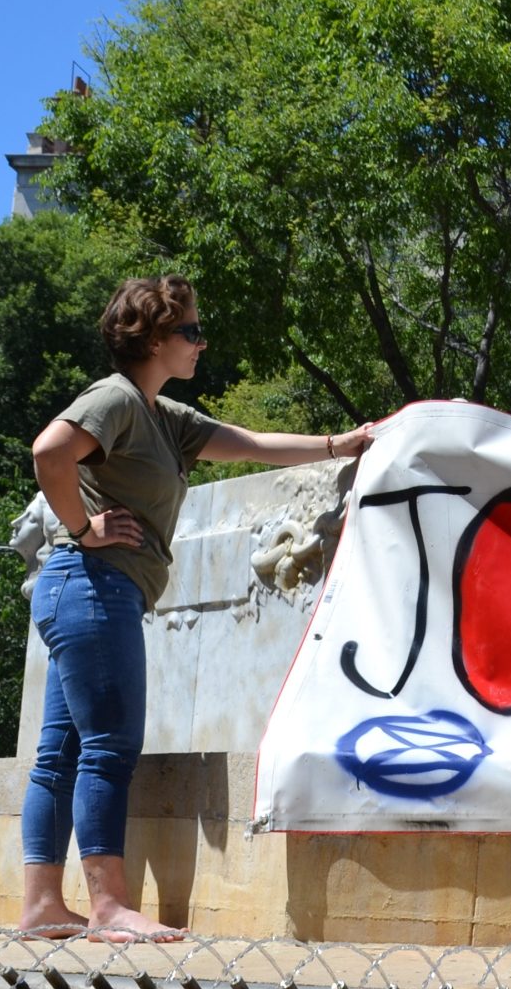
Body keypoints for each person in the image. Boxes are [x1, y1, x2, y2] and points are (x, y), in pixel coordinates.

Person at [19, 275, 379, 941]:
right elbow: (49, 453)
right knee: (106, 746)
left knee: (63, 748)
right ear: (155, 339)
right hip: (94, 583)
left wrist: (340, 443)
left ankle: (42, 905)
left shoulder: (163, 417)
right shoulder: (117, 398)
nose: (201, 342)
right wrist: (82, 527)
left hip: (87, 590)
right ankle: (107, 908)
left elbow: (250, 442)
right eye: (190, 331)